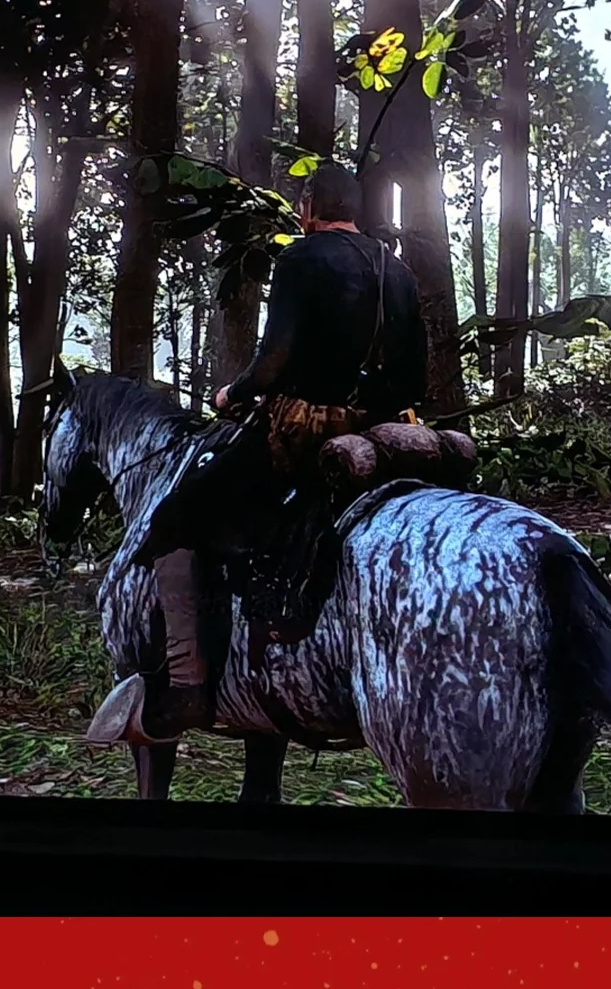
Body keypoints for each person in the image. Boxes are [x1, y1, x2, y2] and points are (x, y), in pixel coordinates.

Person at [85, 162, 426, 748]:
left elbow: (273, 360)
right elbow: (415, 378)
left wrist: (233, 393)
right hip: (384, 435)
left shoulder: (300, 258)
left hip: (300, 432)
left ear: (310, 207)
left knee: (174, 519)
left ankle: (187, 683)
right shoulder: (398, 271)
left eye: (304, 204)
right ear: (356, 210)